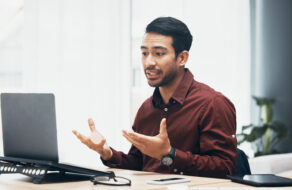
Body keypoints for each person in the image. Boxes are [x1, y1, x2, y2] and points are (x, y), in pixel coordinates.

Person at [72, 17, 237, 178]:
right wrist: (107, 153)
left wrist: (169, 155)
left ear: (182, 58)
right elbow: (139, 164)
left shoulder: (213, 103)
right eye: (144, 53)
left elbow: (224, 168)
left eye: (158, 53)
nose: (148, 62)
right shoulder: (147, 108)